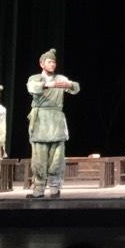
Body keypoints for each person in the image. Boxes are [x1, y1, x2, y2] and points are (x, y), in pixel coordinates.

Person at [26, 48, 80, 198]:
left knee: (57, 156)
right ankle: (39, 188)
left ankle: (55, 187)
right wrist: (49, 85)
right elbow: (32, 87)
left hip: (56, 120)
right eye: (49, 62)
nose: (52, 64)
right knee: (39, 157)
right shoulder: (35, 78)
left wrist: (69, 85)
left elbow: (76, 88)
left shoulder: (60, 78)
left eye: (54, 62)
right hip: (41, 120)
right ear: (41, 63)